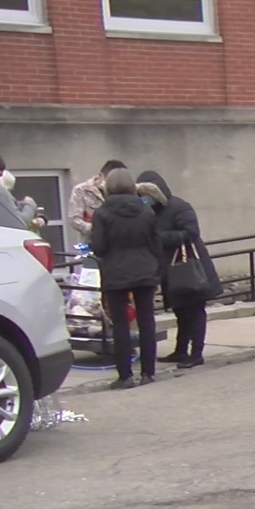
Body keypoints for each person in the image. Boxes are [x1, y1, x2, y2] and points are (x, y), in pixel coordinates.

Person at [86, 168, 163, 386]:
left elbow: (99, 247)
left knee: (120, 325)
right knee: (147, 322)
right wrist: (158, 271)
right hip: (145, 269)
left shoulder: (102, 213)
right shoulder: (147, 211)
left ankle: (125, 375)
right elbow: (155, 243)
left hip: (116, 271)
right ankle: (148, 372)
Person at [136, 170, 221, 368]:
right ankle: (181, 350)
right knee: (181, 311)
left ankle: (196, 352)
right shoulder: (149, 212)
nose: (144, 200)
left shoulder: (179, 207)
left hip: (190, 268)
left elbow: (191, 233)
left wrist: (160, 239)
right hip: (171, 271)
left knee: (195, 311)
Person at [69, 160, 126, 244]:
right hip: (91, 244)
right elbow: (75, 220)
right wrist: (98, 229)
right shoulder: (82, 190)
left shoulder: (124, 191)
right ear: (101, 176)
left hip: (118, 245)